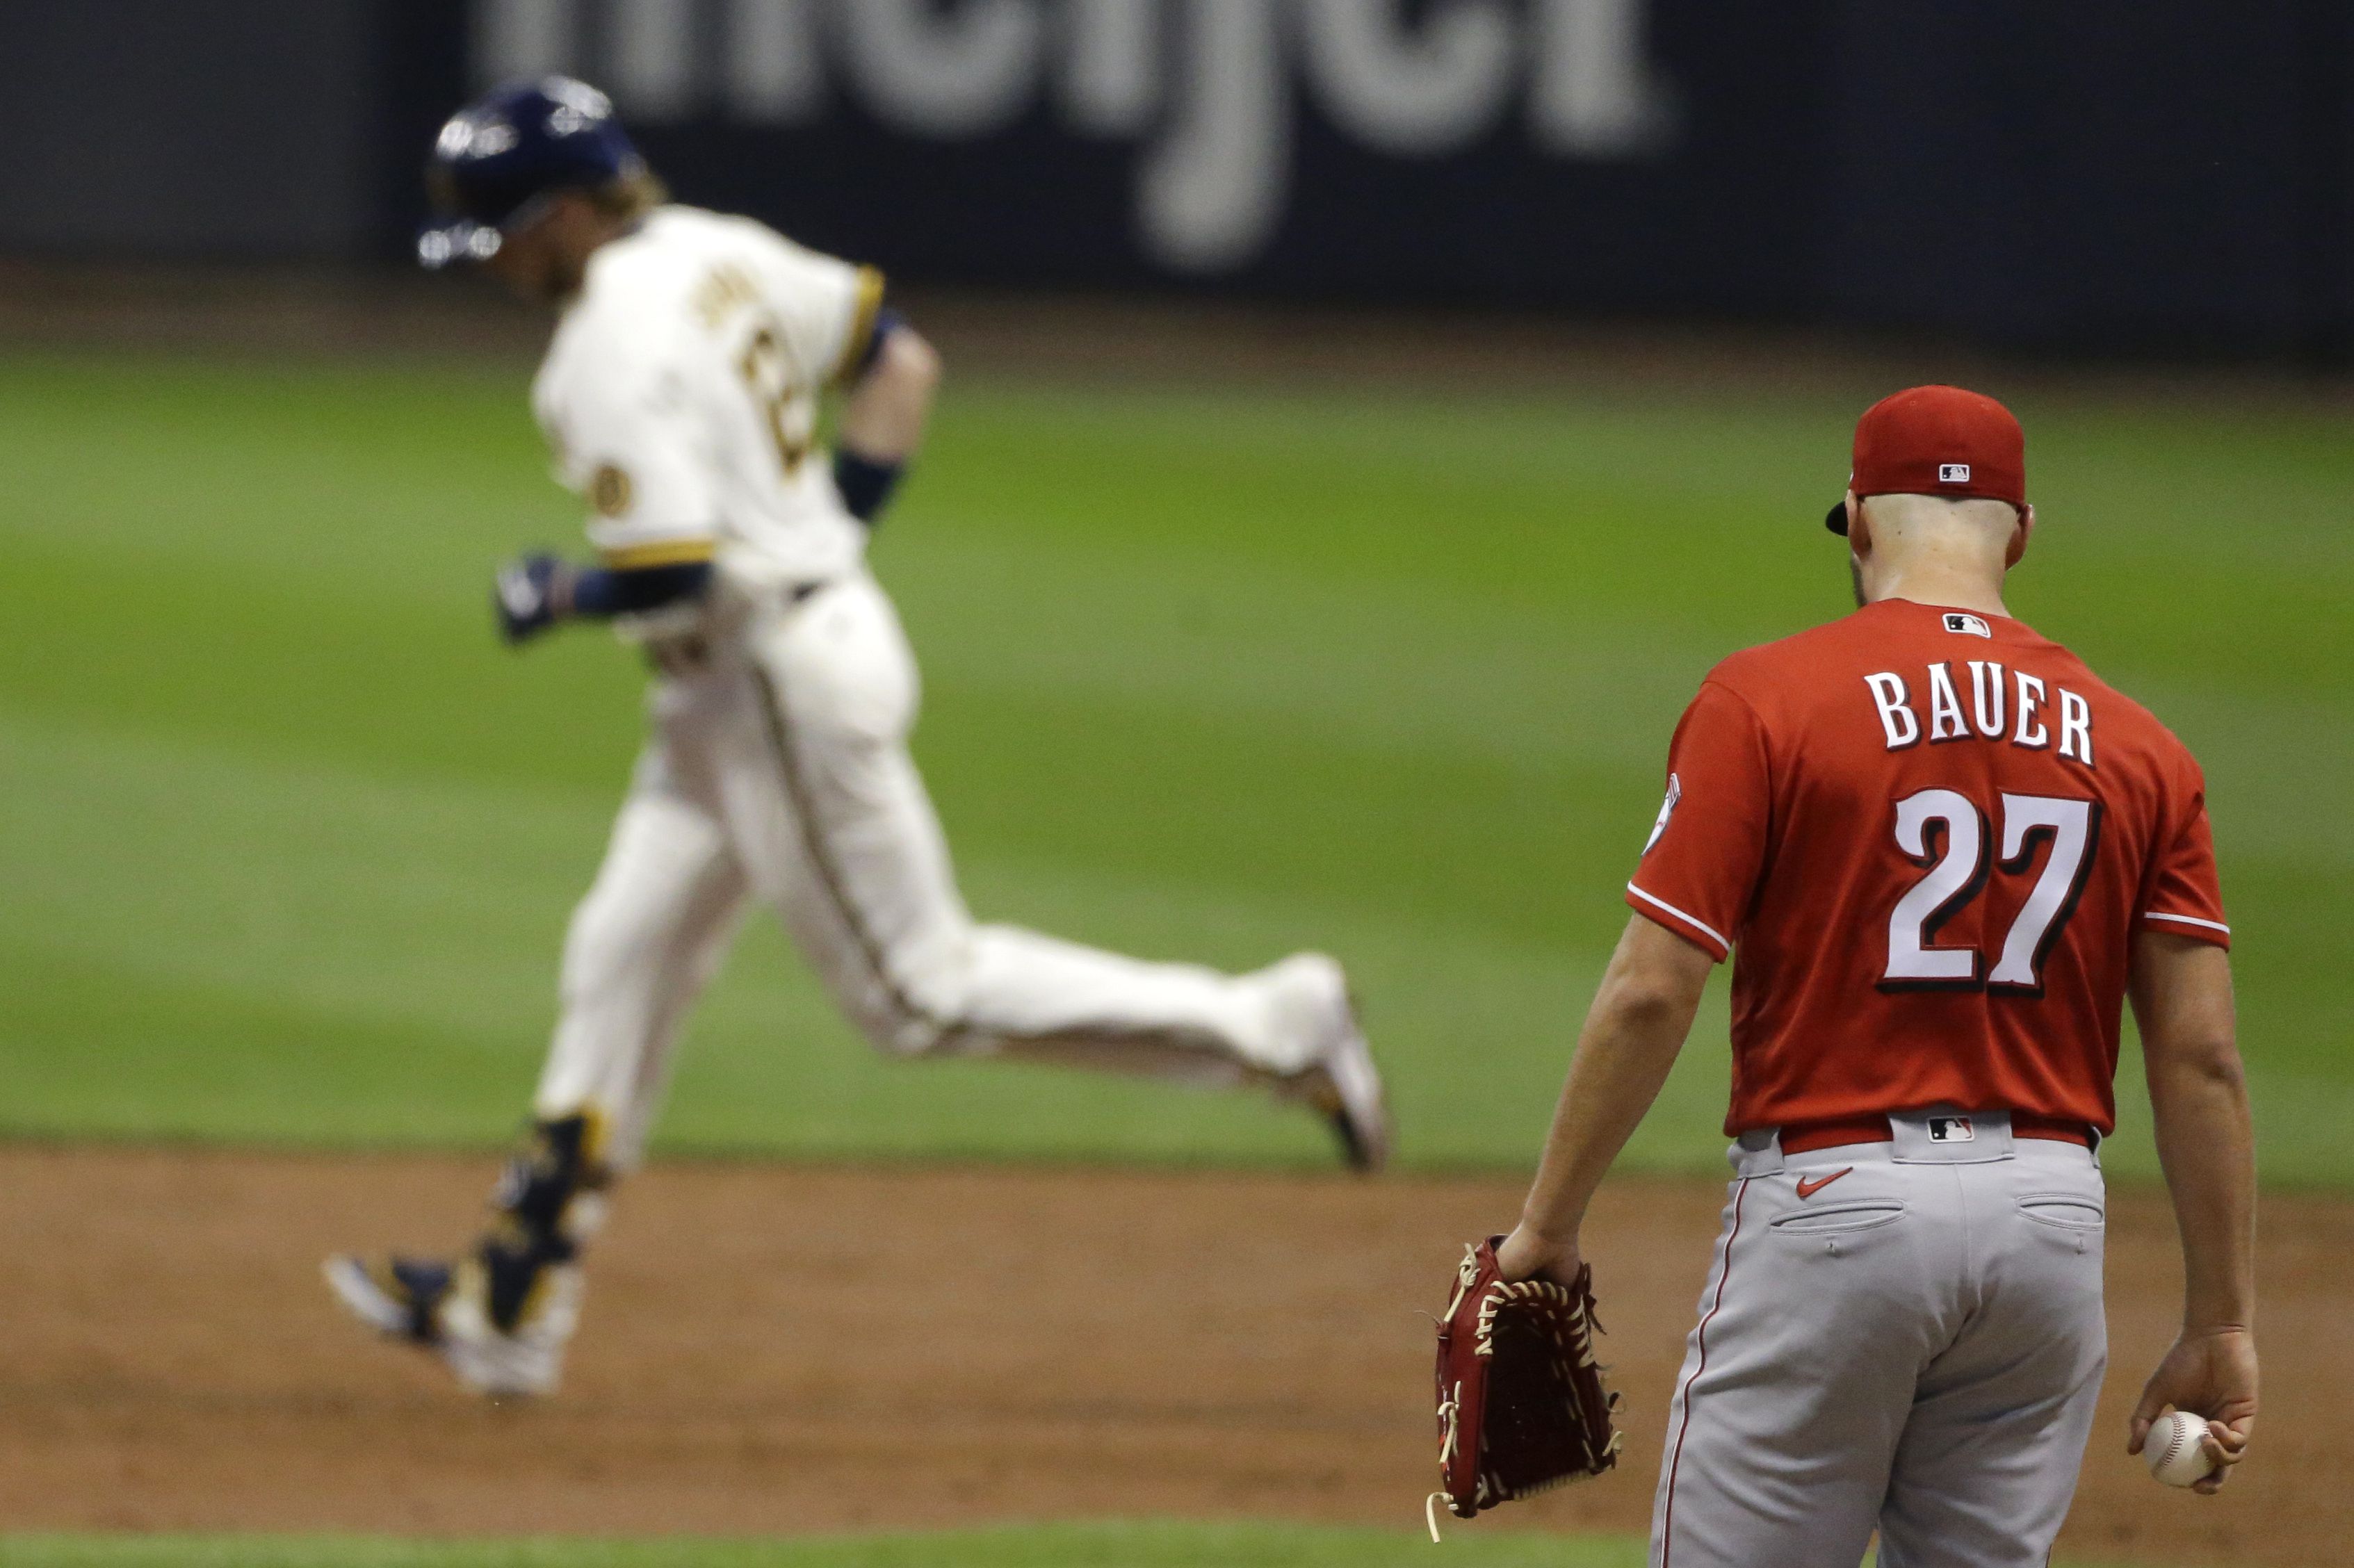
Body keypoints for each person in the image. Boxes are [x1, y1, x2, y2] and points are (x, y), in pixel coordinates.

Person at [325, 77, 1388, 1398]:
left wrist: (558, 592)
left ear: (566, 214)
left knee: (918, 995)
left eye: (501, 235)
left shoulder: (598, 350)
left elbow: (666, 570)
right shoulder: (716, 247)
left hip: (771, 680)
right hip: (768, 662)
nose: (492, 265)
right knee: (624, 954)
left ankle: (1274, 1028)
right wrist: (829, 537)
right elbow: (901, 360)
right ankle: (515, 1295)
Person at [1493, 385, 2256, 1566]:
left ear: (1854, 522)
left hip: (1835, 1212)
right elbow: (2200, 1057)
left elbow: (1652, 987)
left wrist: (1545, 1227)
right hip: (2050, 1227)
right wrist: (2219, 1318)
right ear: (2022, 532)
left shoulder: (1765, 699)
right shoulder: (2143, 746)